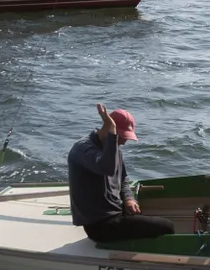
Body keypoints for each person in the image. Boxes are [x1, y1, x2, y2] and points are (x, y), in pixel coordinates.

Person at [68, 104, 174, 243]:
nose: (123, 142)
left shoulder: (113, 147)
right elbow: (106, 168)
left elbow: (123, 177)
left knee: (152, 217)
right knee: (167, 226)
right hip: (99, 224)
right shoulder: (83, 149)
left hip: (117, 211)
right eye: (122, 136)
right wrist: (112, 133)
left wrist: (128, 198)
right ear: (109, 129)